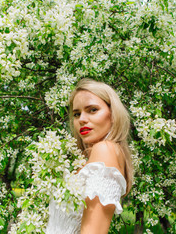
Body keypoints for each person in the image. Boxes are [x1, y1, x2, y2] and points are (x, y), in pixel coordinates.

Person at [46, 79, 133, 234]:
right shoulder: (94, 157)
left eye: (92, 110)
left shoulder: (105, 150)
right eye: (77, 114)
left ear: (113, 114)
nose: (82, 119)